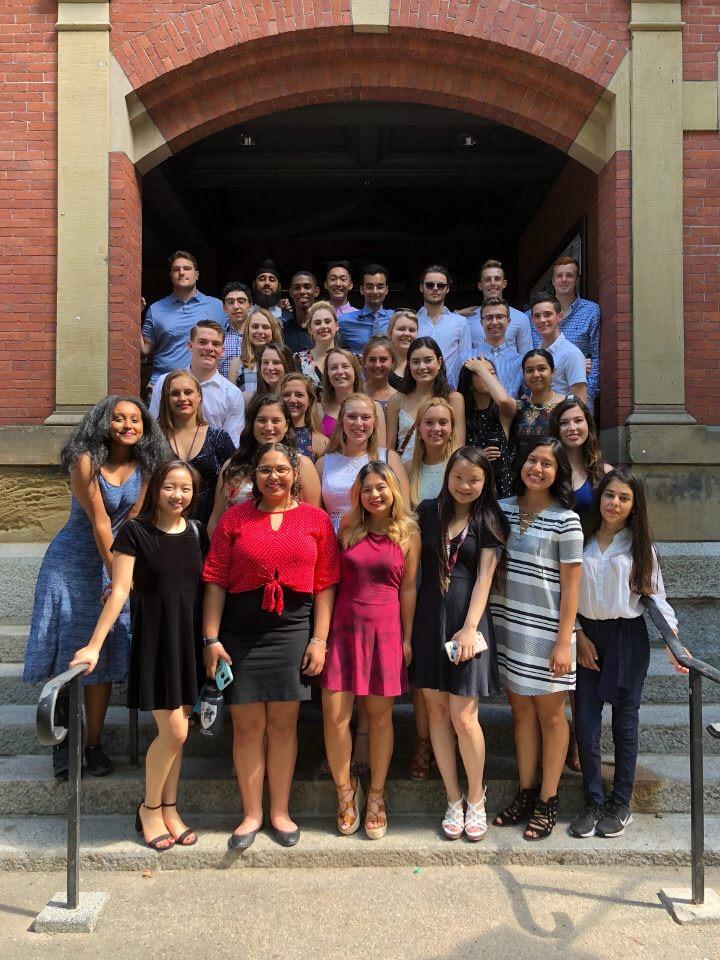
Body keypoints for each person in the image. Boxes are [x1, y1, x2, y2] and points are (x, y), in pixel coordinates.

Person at [202, 442, 340, 850]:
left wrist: (319, 638)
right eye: (265, 470)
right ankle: (251, 813)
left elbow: (326, 583)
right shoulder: (234, 520)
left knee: (283, 725)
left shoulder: (315, 520)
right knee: (246, 727)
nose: (274, 477)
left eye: (282, 469)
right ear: (254, 476)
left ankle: (279, 811)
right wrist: (211, 639)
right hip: (240, 632)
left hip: (293, 628)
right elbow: (214, 580)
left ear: (295, 475)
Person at [23, 397, 169, 779]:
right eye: (118, 418)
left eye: (135, 419)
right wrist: (117, 575)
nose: (127, 425)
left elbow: (135, 518)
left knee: (102, 656)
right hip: (74, 563)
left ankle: (93, 743)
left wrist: (126, 571)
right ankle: (62, 746)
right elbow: (101, 522)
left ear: (144, 426)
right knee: (71, 652)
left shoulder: (149, 465)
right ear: (104, 423)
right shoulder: (85, 458)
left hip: (119, 558)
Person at [70, 461, 207, 850]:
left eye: (185, 489)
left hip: (188, 642)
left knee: (177, 733)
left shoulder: (196, 532)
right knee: (175, 731)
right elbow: (119, 590)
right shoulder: (134, 532)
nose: (177, 495)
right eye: (170, 487)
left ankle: (169, 807)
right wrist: (95, 645)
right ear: (156, 490)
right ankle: (149, 808)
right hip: (157, 640)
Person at [570, 469, 689, 840]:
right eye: (609, 495)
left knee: (624, 725)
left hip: (626, 638)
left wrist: (675, 644)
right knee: (587, 727)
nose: (614, 503)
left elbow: (657, 599)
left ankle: (620, 804)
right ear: (599, 497)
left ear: (634, 505)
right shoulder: (581, 538)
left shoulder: (639, 547)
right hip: (587, 636)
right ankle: (593, 800)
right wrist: (577, 635)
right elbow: (565, 593)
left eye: (623, 497)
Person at [412, 448, 509, 840]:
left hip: (468, 621)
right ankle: (453, 798)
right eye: (458, 478)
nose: (465, 486)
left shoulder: (488, 518)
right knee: (436, 713)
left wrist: (470, 627)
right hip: (429, 618)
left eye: (474, 480)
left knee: (464, 716)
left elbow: (485, 578)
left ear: (484, 483)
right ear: (447, 477)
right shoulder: (427, 512)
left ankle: (476, 798)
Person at [490, 438, 583, 841]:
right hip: (510, 628)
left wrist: (565, 642)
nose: (538, 469)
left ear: (558, 473)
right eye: (532, 460)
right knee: (521, 715)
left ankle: (549, 798)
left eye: (547, 464)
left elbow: (572, 588)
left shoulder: (567, 520)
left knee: (551, 717)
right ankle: (527, 791)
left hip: (548, 633)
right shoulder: (502, 510)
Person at [321, 463, 420, 838]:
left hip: (385, 630)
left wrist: (407, 638)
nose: (374, 495)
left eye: (381, 487)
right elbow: (330, 582)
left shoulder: (408, 534)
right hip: (344, 629)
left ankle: (376, 794)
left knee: (379, 719)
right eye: (367, 489)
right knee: (334, 716)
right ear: (357, 495)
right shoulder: (347, 527)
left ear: (393, 490)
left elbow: (408, 589)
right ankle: (345, 792)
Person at [207, 394, 321, 535]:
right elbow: (216, 520)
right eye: (261, 420)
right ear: (252, 424)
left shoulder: (301, 464)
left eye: (276, 421)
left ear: (286, 426)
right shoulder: (232, 466)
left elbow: (314, 519)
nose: (268, 427)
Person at [317, 392, 409, 533]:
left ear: (375, 422)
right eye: (352, 417)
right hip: (334, 540)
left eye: (366, 417)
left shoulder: (389, 459)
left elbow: (404, 511)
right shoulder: (323, 463)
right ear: (341, 421)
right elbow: (315, 514)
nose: (359, 423)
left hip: (378, 538)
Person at [149, 320, 245, 446]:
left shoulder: (232, 394)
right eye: (202, 342)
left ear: (222, 351)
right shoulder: (164, 383)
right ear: (190, 346)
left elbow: (232, 444)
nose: (209, 348)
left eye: (216, 344)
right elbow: (153, 430)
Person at [157, 370, 235, 525]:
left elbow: (235, 482)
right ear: (166, 399)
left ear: (199, 396)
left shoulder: (219, 437)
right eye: (174, 393)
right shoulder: (155, 438)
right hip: (163, 527)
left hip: (210, 527)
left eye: (188, 392)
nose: (182, 398)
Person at [141, 250, 226, 387]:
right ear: (171, 275)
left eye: (187, 268)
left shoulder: (217, 307)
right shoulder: (156, 309)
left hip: (204, 386)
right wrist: (133, 313)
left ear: (196, 275)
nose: (181, 272)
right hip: (164, 385)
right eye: (176, 269)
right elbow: (144, 349)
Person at [386, 337, 465, 464]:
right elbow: (389, 450)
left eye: (428, 360)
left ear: (439, 362)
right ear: (409, 365)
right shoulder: (396, 401)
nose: (422, 367)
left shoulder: (454, 399)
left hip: (443, 472)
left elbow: (458, 445)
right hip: (405, 474)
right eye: (416, 362)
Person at [545, 256, 600, 409]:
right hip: (543, 394)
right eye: (559, 275)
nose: (564, 279)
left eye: (569, 275)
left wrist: (589, 393)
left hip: (580, 392)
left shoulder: (591, 311)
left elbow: (595, 355)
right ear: (553, 280)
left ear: (577, 279)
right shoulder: (534, 315)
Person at [459, 357, 516, 499]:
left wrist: (479, 368)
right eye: (482, 373)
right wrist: (479, 457)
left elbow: (502, 399)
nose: (488, 376)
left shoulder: (504, 411)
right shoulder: (463, 414)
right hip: (471, 487)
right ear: (470, 383)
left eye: (492, 372)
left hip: (503, 487)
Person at [550, 395, 612, 524]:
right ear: (556, 428)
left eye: (578, 420)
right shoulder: (545, 469)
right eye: (564, 422)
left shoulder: (605, 472)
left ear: (588, 424)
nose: (572, 427)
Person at [414, 265, 472, 388]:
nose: (435, 289)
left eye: (441, 285)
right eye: (430, 285)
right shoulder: (412, 321)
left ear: (447, 289)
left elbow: (464, 361)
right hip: (416, 388)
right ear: (421, 287)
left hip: (449, 390)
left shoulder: (460, 322)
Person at [460, 259, 534, 356]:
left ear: (504, 283)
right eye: (487, 279)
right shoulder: (467, 319)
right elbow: (463, 355)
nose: (493, 283)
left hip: (511, 369)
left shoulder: (520, 318)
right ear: (480, 285)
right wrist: (455, 314)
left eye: (497, 279)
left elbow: (527, 357)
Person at [319, 347, 387, 446]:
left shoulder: (375, 407)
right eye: (333, 367)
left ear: (355, 372)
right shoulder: (318, 409)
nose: (340, 371)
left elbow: (381, 449)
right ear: (327, 375)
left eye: (345, 366)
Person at [529, 292, 587, 403]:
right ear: (533, 321)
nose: (542, 320)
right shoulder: (535, 353)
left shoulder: (572, 353)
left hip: (562, 419)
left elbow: (580, 402)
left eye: (547, 314)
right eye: (537, 316)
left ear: (559, 316)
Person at [510, 349, 565, 460]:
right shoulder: (518, 407)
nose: (536, 374)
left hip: (559, 472)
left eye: (542, 369)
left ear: (553, 371)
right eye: (529, 370)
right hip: (524, 473)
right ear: (524, 375)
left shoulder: (566, 405)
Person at [407, 397, 457, 508]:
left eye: (443, 423)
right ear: (419, 427)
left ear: (452, 427)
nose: (436, 428)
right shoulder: (407, 469)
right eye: (429, 423)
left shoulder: (460, 465)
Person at [473, 297, 524, 398]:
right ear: (481, 322)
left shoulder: (520, 362)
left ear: (508, 321)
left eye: (500, 317)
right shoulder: (466, 358)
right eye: (489, 318)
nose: (494, 322)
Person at [339, 264, 393, 353]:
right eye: (369, 287)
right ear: (361, 290)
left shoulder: (396, 319)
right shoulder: (344, 321)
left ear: (386, 290)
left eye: (380, 287)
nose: (375, 291)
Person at [228, 308, 284, 395]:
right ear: (247, 330)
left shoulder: (284, 360)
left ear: (273, 331)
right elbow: (231, 401)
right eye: (255, 326)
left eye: (265, 327)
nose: (260, 331)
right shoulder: (237, 363)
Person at [293, 301, 339, 398]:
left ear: (336, 325)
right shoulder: (298, 359)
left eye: (327, 321)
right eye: (317, 323)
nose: (323, 326)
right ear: (310, 329)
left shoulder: (348, 358)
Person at [280, 373, 329, 462]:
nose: (292, 400)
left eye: (299, 395)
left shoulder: (321, 442)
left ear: (309, 400)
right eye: (286, 395)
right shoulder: (271, 435)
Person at [219, 282, 253, 379]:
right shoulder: (218, 337)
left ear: (250, 305)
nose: (236, 306)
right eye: (230, 302)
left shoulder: (259, 335)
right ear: (224, 307)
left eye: (241, 301)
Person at [283, 270, 319, 353]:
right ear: (291, 292)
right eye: (297, 288)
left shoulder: (327, 328)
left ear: (316, 292)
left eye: (307, 287)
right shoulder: (283, 330)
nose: (302, 291)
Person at [362, 335, 397, 412]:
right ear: (365, 362)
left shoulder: (397, 398)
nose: (377, 365)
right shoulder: (355, 390)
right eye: (372, 360)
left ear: (393, 362)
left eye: (383, 359)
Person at [387, 310, 419, 389]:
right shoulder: (381, 361)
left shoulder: (421, 362)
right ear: (390, 333)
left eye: (411, 330)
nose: (407, 334)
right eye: (401, 329)